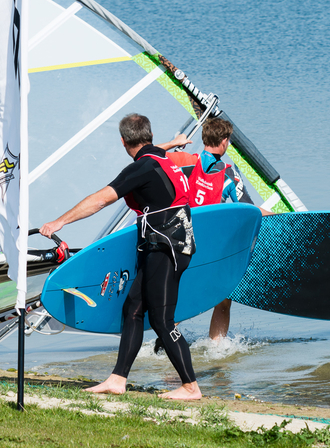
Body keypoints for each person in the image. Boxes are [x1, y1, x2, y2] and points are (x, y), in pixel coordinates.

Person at [39, 113, 202, 401]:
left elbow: (101, 199)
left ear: (123, 141)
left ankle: (191, 387)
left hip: (166, 250)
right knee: (133, 310)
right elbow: (156, 150)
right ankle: (117, 379)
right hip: (170, 245)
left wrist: (60, 222)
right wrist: (175, 142)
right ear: (148, 136)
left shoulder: (140, 169)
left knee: (163, 321)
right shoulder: (163, 159)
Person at [165, 117, 267, 341]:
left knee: (184, 296)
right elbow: (249, 209)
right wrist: (280, 216)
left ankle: (166, 340)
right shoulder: (228, 173)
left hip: (182, 244)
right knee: (223, 297)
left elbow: (150, 156)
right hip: (213, 247)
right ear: (224, 141)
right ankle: (217, 350)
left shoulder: (184, 161)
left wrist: (173, 144)